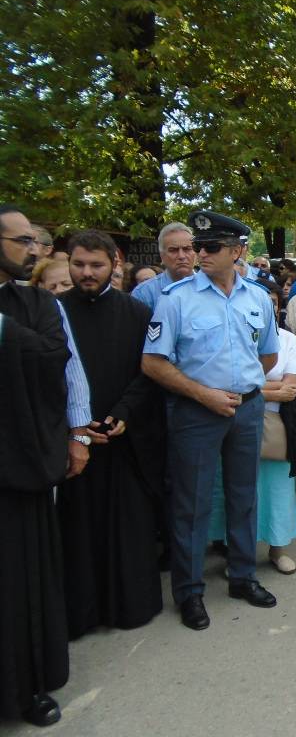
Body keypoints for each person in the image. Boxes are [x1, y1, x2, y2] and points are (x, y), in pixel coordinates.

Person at [141, 210, 280, 631]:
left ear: (237, 252)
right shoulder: (177, 298)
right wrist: (205, 393)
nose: (200, 253)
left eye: (210, 247)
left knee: (244, 495)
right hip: (196, 411)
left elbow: (269, 353)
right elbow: (152, 362)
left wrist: (241, 387)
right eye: (198, 246)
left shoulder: (256, 297)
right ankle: (189, 592)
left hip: (248, 407)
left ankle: (242, 576)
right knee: (192, 503)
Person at [0, 205, 91, 727]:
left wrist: (77, 434)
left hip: (21, 463)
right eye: (22, 241)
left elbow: (60, 362)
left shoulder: (35, 303)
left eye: (35, 241)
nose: (33, 250)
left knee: (20, 579)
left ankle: (25, 688)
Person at [58, 230, 164, 639]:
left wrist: (123, 412)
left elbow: (150, 369)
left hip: (126, 438)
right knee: (78, 531)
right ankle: (81, 613)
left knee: (128, 525)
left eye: (96, 265)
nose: (87, 273)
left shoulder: (136, 313)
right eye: (79, 264)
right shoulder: (55, 312)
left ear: (114, 264)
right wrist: (76, 426)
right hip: (75, 439)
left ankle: (130, 604)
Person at [210, 279, 296, 574]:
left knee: (277, 489)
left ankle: (277, 550)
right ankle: (240, 555)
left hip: (277, 425)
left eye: (273, 303)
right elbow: (224, 384)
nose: (267, 309)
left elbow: (290, 387)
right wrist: (264, 387)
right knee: (238, 491)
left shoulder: (287, 340)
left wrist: (251, 388)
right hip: (235, 422)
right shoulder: (232, 337)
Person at [131, 221, 196, 311]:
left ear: (196, 253)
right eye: (173, 250)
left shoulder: (212, 288)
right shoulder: (144, 293)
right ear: (162, 256)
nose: (181, 256)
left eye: (187, 249)